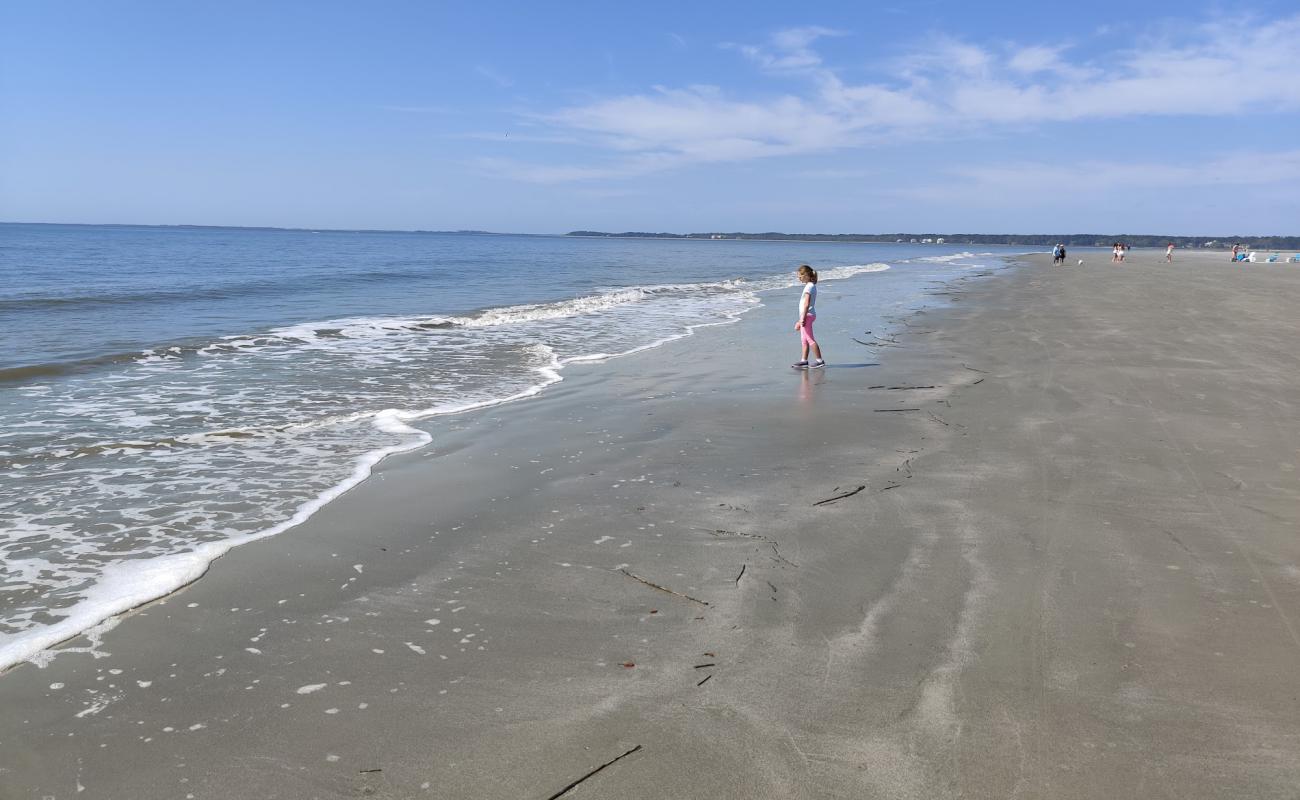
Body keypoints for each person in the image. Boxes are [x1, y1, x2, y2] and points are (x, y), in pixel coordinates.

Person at [791, 264, 825, 370]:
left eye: (800, 276)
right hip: (807, 315)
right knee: (804, 340)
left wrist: (802, 319)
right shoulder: (810, 286)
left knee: (810, 339)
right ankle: (804, 361)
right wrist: (800, 320)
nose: (799, 278)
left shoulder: (809, 286)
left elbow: (806, 304)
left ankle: (820, 361)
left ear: (806, 275)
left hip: (808, 315)